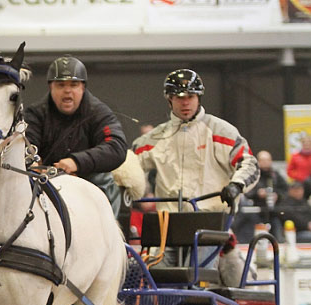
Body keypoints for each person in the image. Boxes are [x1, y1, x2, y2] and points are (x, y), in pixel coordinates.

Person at [133, 69, 259, 268]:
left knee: (201, 277)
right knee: (154, 277)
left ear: (198, 98)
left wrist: (236, 185)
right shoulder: (154, 138)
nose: (185, 103)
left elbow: (249, 163)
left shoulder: (221, 131)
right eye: (179, 97)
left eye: (190, 97)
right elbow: (127, 167)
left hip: (209, 224)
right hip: (166, 226)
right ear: (169, 100)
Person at [24, 55, 127, 218]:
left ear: (83, 88)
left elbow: (117, 147)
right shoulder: (35, 114)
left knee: (105, 179)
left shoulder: (99, 112)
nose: (67, 90)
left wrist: (77, 162)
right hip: (46, 185)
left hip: (89, 184)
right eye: (60, 85)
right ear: (51, 87)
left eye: (74, 84)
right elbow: (26, 145)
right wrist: (34, 163)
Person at [233, 150, 288, 242]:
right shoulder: (252, 174)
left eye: (267, 160)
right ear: (257, 161)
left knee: (277, 229)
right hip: (254, 212)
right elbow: (245, 190)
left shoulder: (275, 175)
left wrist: (277, 195)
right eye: (263, 160)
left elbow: (285, 190)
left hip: (273, 213)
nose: (265, 162)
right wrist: (257, 193)